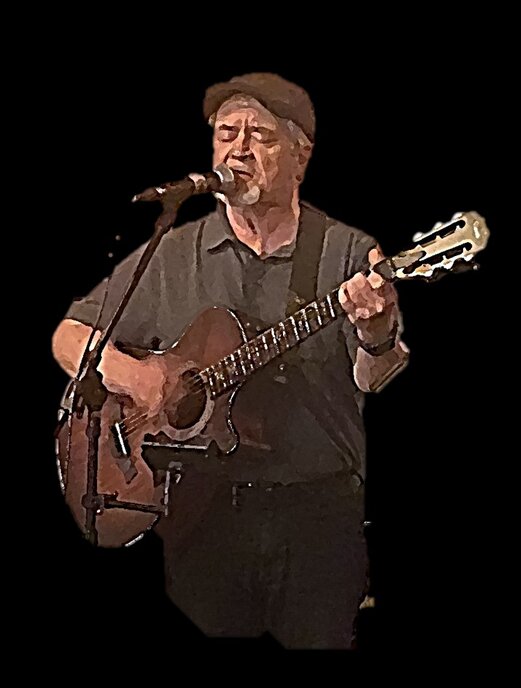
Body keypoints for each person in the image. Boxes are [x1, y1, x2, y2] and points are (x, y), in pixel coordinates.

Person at [52, 72, 410, 650]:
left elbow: (374, 376)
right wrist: (139, 377)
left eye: (259, 135)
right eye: (226, 134)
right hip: (202, 519)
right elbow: (69, 337)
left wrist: (375, 330)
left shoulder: (345, 251)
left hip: (316, 521)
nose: (238, 150)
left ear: (300, 155)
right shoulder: (174, 252)